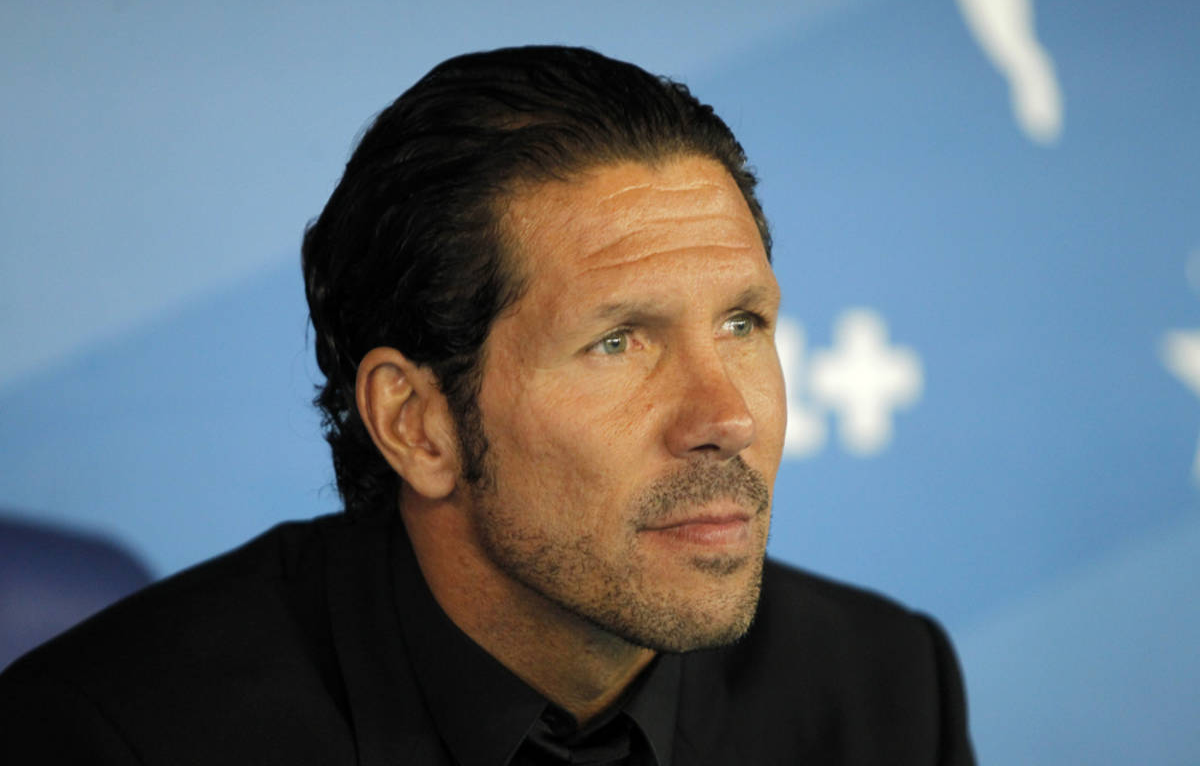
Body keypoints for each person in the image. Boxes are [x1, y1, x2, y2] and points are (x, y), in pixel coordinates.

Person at [0, 45, 975, 764]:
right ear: (416, 423)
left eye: (742, 323)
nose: (727, 416)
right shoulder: (121, 736)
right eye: (618, 341)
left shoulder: (886, 690)